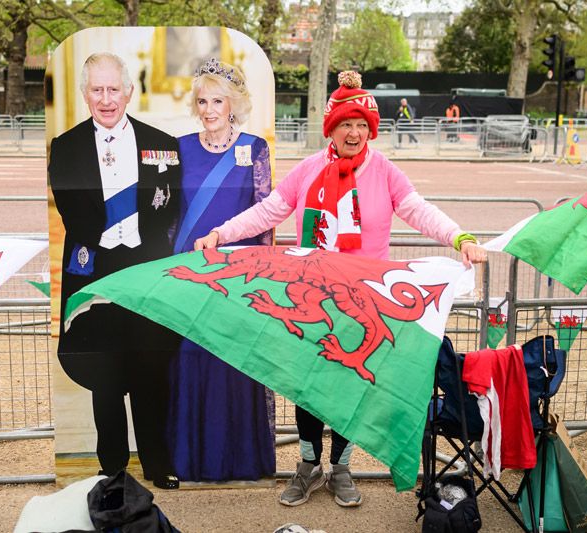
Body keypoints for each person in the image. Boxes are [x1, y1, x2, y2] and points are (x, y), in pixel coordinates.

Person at [193, 71, 487, 508]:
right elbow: (269, 211)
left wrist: (458, 237)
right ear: (331, 128)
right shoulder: (309, 170)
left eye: (362, 125)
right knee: (308, 383)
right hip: (310, 292)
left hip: (363, 297)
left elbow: (417, 210)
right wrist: (221, 233)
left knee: (351, 383)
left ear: (371, 129)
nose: (354, 133)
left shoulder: (384, 171)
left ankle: (342, 466)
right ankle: (308, 465)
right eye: (346, 124)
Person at [48, 52, 181, 490]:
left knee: (151, 371)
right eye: (97, 90)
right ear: (86, 94)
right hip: (97, 270)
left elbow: (170, 208)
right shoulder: (65, 147)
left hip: (145, 270)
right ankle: (112, 467)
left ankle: (157, 463)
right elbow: (73, 212)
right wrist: (108, 243)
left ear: (128, 91)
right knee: (104, 374)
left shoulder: (162, 142)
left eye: (113, 89)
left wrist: (140, 243)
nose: (106, 99)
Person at [168, 58, 276, 482]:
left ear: (234, 103)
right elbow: (174, 217)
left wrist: (260, 276)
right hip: (191, 274)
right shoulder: (179, 147)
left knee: (234, 363)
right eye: (202, 101)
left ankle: (240, 460)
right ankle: (191, 460)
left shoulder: (256, 147)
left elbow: (266, 216)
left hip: (237, 277)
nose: (209, 109)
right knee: (192, 361)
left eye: (217, 100)